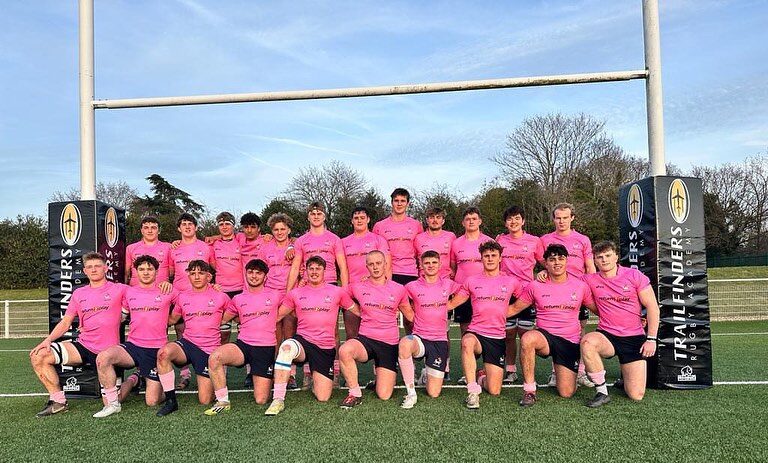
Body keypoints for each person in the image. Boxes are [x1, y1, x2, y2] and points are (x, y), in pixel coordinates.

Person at [29, 252, 128, 417]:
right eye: (89, 267)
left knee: (112, 401)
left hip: (109, 351)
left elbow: (143, 296)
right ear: (84, 271)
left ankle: (133, 380)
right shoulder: (78, 294)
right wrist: (48, 340)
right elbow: (66, 322)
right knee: (39, 355)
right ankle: (58, 401)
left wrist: (124, 313)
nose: (94, 269)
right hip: (84, 345)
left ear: (106, 268)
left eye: (97, 266)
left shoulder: (120, 289)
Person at [264, 257, 357, 416]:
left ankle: (317, 377)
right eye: (311, 268)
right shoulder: (295, 293)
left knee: (323, 397)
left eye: (318, 268)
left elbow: (357, 310)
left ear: (324, 271)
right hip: (304, 343)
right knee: (286, 348)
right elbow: (277, 316)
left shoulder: (337, 292)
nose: (314, 272)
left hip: (324, 347)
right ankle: (278, 399)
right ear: (305, 271)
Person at [509, 244, 597, 407]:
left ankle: (564, 373)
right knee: (528, 338)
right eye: (552, 259)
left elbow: (598, 309)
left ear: (567, 261)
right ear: (546, 263)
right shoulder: (534, 286)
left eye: (560, 259)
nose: (557, 263)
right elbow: (514, 308)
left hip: (569, 341)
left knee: (566, 392)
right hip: (545, 337)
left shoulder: (580, 286)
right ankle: (529, 390)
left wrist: (632, 317)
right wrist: (484, 314)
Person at [92, 255, 176, 417]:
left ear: (156, 271)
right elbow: (121, 317)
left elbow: (192, 297)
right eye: (142, 269)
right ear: (135, 271)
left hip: (156, 351)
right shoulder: (128, 292)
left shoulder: (167, 290)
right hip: (133, 347)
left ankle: (157, 382)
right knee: (103, 358)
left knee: (152, 401)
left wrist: (214, 288)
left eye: (150, 269)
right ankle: (132, 382)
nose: (145, 273)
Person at [581, 241, 660, 407]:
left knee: (636, 395)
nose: (604, 260)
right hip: (607, 335)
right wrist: (544, 272)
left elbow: (652, 307)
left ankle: (626, 378)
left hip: (633, 337)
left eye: (608, 255)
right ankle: (602, 392)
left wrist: (651, 339)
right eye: (599, 257)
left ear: (616, 256)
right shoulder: (589, 279)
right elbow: (564, 280)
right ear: (594, 261)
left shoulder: (634, 276)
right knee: (588, 342)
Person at [447, 241, 524, 409]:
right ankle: (472, 392)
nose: (490, 259)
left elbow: (526, 298)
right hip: (476, 333)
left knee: (494, 390)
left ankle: (481, 376)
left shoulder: (511, 281)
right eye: (486, 256)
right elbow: (452, 303)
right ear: (481, 258)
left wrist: (509, 310)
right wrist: (431, 305)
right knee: (467, 342)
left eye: (493, 256)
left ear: (500, 258)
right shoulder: (471, 281)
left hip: (497, 337)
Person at [204, 259, 283, 415]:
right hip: (244, 345)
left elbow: (292, 307)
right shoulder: (238, 299)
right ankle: (223, 400)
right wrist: (211, 291)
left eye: (258, 273)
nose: (254, 276)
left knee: (261, 399)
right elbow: (222, 318)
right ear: (246, 274)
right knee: (215, 357)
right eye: (250, 272)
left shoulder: (276, 295)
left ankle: (270, 375)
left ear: (265, 277)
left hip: (265, 348)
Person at [155, 260, 233, 416]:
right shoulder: (182, 297)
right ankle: (171, 401)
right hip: (188, 343)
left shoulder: (222, 297)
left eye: (201, 273)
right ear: (188, 276)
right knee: (164, 353)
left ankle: (216, 375)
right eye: (192, 273)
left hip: (208, 349)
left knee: (205, 399)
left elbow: (236, 316)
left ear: (209, 276)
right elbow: (171, 320)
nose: (196, 277)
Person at [339, 250, 413, 408]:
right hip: (366, 340)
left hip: (389, 344)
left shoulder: (398, 289)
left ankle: (380, 379)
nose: (375, 267)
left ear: (385, 265)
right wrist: (354, 308)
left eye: (378, 263)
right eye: (371, 264)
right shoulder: (358, 286)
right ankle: (354, 393)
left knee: (384, 395)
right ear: (367, 266)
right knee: (345, 350)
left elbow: (410, 315)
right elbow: (337, 293)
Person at [540, 203, 596, 387]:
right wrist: (542, 273)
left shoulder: (583, 240)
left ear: (572, 218)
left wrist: (593, 286)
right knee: (553, 331)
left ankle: (579, 371)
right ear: (553, 219)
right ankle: (555, 372)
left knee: (579, 331)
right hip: (553, 292)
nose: (561, 221)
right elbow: (544, 264)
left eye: (565, 217)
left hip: (577, 293)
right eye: (558, 217)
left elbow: (590, 266)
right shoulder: (545, 239)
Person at [399, 251, 458, 408]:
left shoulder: (448, 284)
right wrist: (411, 316)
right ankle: (411, 393)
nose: (430, 265)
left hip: (439, 341)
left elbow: (465, 292)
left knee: (433, 393)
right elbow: (398, 298)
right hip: (420, 339)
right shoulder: (411, 286)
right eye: (427, 263)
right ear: (421, 266)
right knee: (405, 343)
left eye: (433, 262)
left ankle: (427, 372)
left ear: (439, 265)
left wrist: (450, 305)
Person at [496, 206, 544, 384]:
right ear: (505, 222)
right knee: (508, 335)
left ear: (523, 221)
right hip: (506, 292)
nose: (513, 222)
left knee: (526, 335)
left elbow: (544, 262)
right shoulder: (500, 240)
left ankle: (528, 373)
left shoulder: (534, 241)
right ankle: (510, 370)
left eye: (517, 218)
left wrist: (544, 273)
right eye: (510, 219)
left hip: (527, 293)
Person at [169, 212, 215, 390]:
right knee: (180, 331)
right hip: (180, 295)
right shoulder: (173, 248)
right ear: (179, 228)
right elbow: (170, 273)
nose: (187, 227)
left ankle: (211, 367)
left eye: (190, 224)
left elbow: (213, 270)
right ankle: (185, 374)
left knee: (205, 330)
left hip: (203, 296)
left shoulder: (206, 247)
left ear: (196, 227)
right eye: (184, 224)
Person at [412, 206, 457, 382]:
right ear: (427, 220)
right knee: (419, 326)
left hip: (444, 288)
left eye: (438, 217)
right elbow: (417, 262)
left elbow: (453, 263)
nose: (435, 220)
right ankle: (421, 367)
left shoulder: (451, 237)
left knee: (443, 329)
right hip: (423, 289)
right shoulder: (418, 239)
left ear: (443, 220)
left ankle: (444, 366)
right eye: (431, 217)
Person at [450, 207, 493, 384]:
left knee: (487, 331)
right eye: (467, 219)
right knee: (466, 332)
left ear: (480, 221)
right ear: (463, 222)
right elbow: (453, 267)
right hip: (463, 293)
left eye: (474, 218)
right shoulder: (456, 243)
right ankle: (469, 370)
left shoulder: (489, 241)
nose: (471, 222)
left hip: (485, 293)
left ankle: (485, 368)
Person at [342, 206, 391, 339]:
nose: (359, 221)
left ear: (368, 220)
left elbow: (387, 266)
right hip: (352, 292)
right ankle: (349, 359)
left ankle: (382, 359)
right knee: (351, 333)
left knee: (378, 332)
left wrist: (386, 289)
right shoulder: (343, 242)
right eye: (356, 218)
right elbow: (342, 268)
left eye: (362, 218)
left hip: (375, 291)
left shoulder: (378, 240)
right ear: (351, 221)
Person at [211, 212, 243, 345]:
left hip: (241, 289)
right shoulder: (213, 244)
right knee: (223, 330)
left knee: (244, 327)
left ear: (233, 226)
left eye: (227, 224)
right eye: (221, 224)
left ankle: (245, 360)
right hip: (222, 290)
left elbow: (257, 237)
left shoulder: (241, 240)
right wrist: (211, 284)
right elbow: (207, 266)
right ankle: (222, 363)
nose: (224, 227)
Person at [125, 216, 173, 286]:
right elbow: (126, 273)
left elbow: (172, 272)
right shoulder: (130, 248)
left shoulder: (169, 247)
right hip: (135, 292)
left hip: (161, 292)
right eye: (146, 228)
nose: (150, 231)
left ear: (159, 231)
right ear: (141, 231)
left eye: (153, 228)